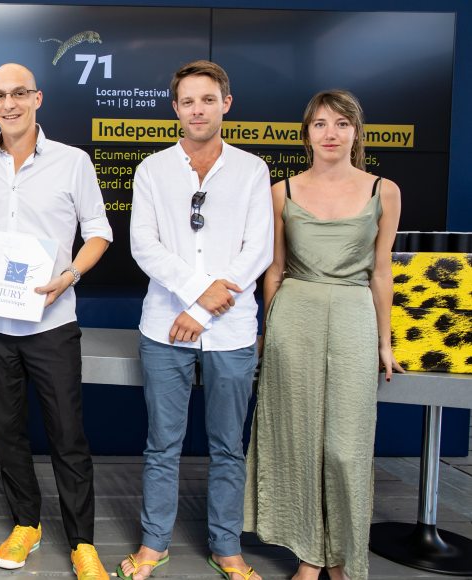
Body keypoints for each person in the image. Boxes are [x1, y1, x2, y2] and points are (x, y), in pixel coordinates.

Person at [122, 60, 273, 580]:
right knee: (162, 443)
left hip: (231, 331)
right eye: (188, 101)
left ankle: (226, 548)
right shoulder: (152, 170)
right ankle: (154, 544)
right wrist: (194, 296)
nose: (198, 109)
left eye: (207, 99)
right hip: (165, 326)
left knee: (228, 447)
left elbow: (259, 250)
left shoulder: (252, 170)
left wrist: (205, 307)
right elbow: (145, 246)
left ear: (225, 103)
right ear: (176, 109)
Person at [244, 90, 402, 580]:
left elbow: (381, 272)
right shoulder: (281, 192)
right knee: (297, 441)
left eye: (340, 123)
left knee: (345, 446)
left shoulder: (384, 190)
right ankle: (310, 558)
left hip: (354, 313)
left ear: (356, 131)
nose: (330, 133)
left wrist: (384, 341)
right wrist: (266, 335)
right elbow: (273, 270)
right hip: (295, 316)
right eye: (320, 124)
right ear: (306, 132)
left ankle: (344, 558)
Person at [0, 63, 112, 580]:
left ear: (38, 99)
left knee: (67, 435)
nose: (10, 103)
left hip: (52, 322)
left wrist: (70, 274)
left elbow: (99, 232)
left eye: (19, 94)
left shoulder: (73, 162)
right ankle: (26, 522)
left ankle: (83, 542)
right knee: (6, 432)